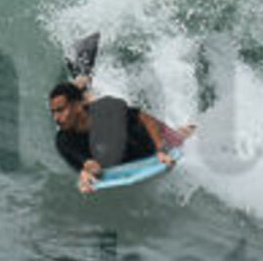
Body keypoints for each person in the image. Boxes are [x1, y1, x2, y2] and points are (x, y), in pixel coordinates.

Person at [49, 80, 194, 193]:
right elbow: (91, 166)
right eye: (53, 112)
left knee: (181, 138)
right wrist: (86, 173)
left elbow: (144, 118)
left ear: (77, 106)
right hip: (124, 152)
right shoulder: (63, 141)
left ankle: (183, 130)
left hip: (146, 137)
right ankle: (83, 86)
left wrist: (160, 150)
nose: (56, 118)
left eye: (60, 110)